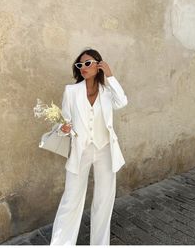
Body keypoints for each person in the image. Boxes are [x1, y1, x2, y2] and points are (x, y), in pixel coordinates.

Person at [50, 48, 128, 245]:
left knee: (104, 201)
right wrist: (63, 128)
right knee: (71, 200)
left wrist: (110, 76)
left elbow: (123, 102)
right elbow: (64, 121)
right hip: (80, 151)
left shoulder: (108, 91)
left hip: (105, 151)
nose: (83, 67)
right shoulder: (71, 91)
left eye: (88, 63)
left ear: (98, 65)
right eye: (80, 65)